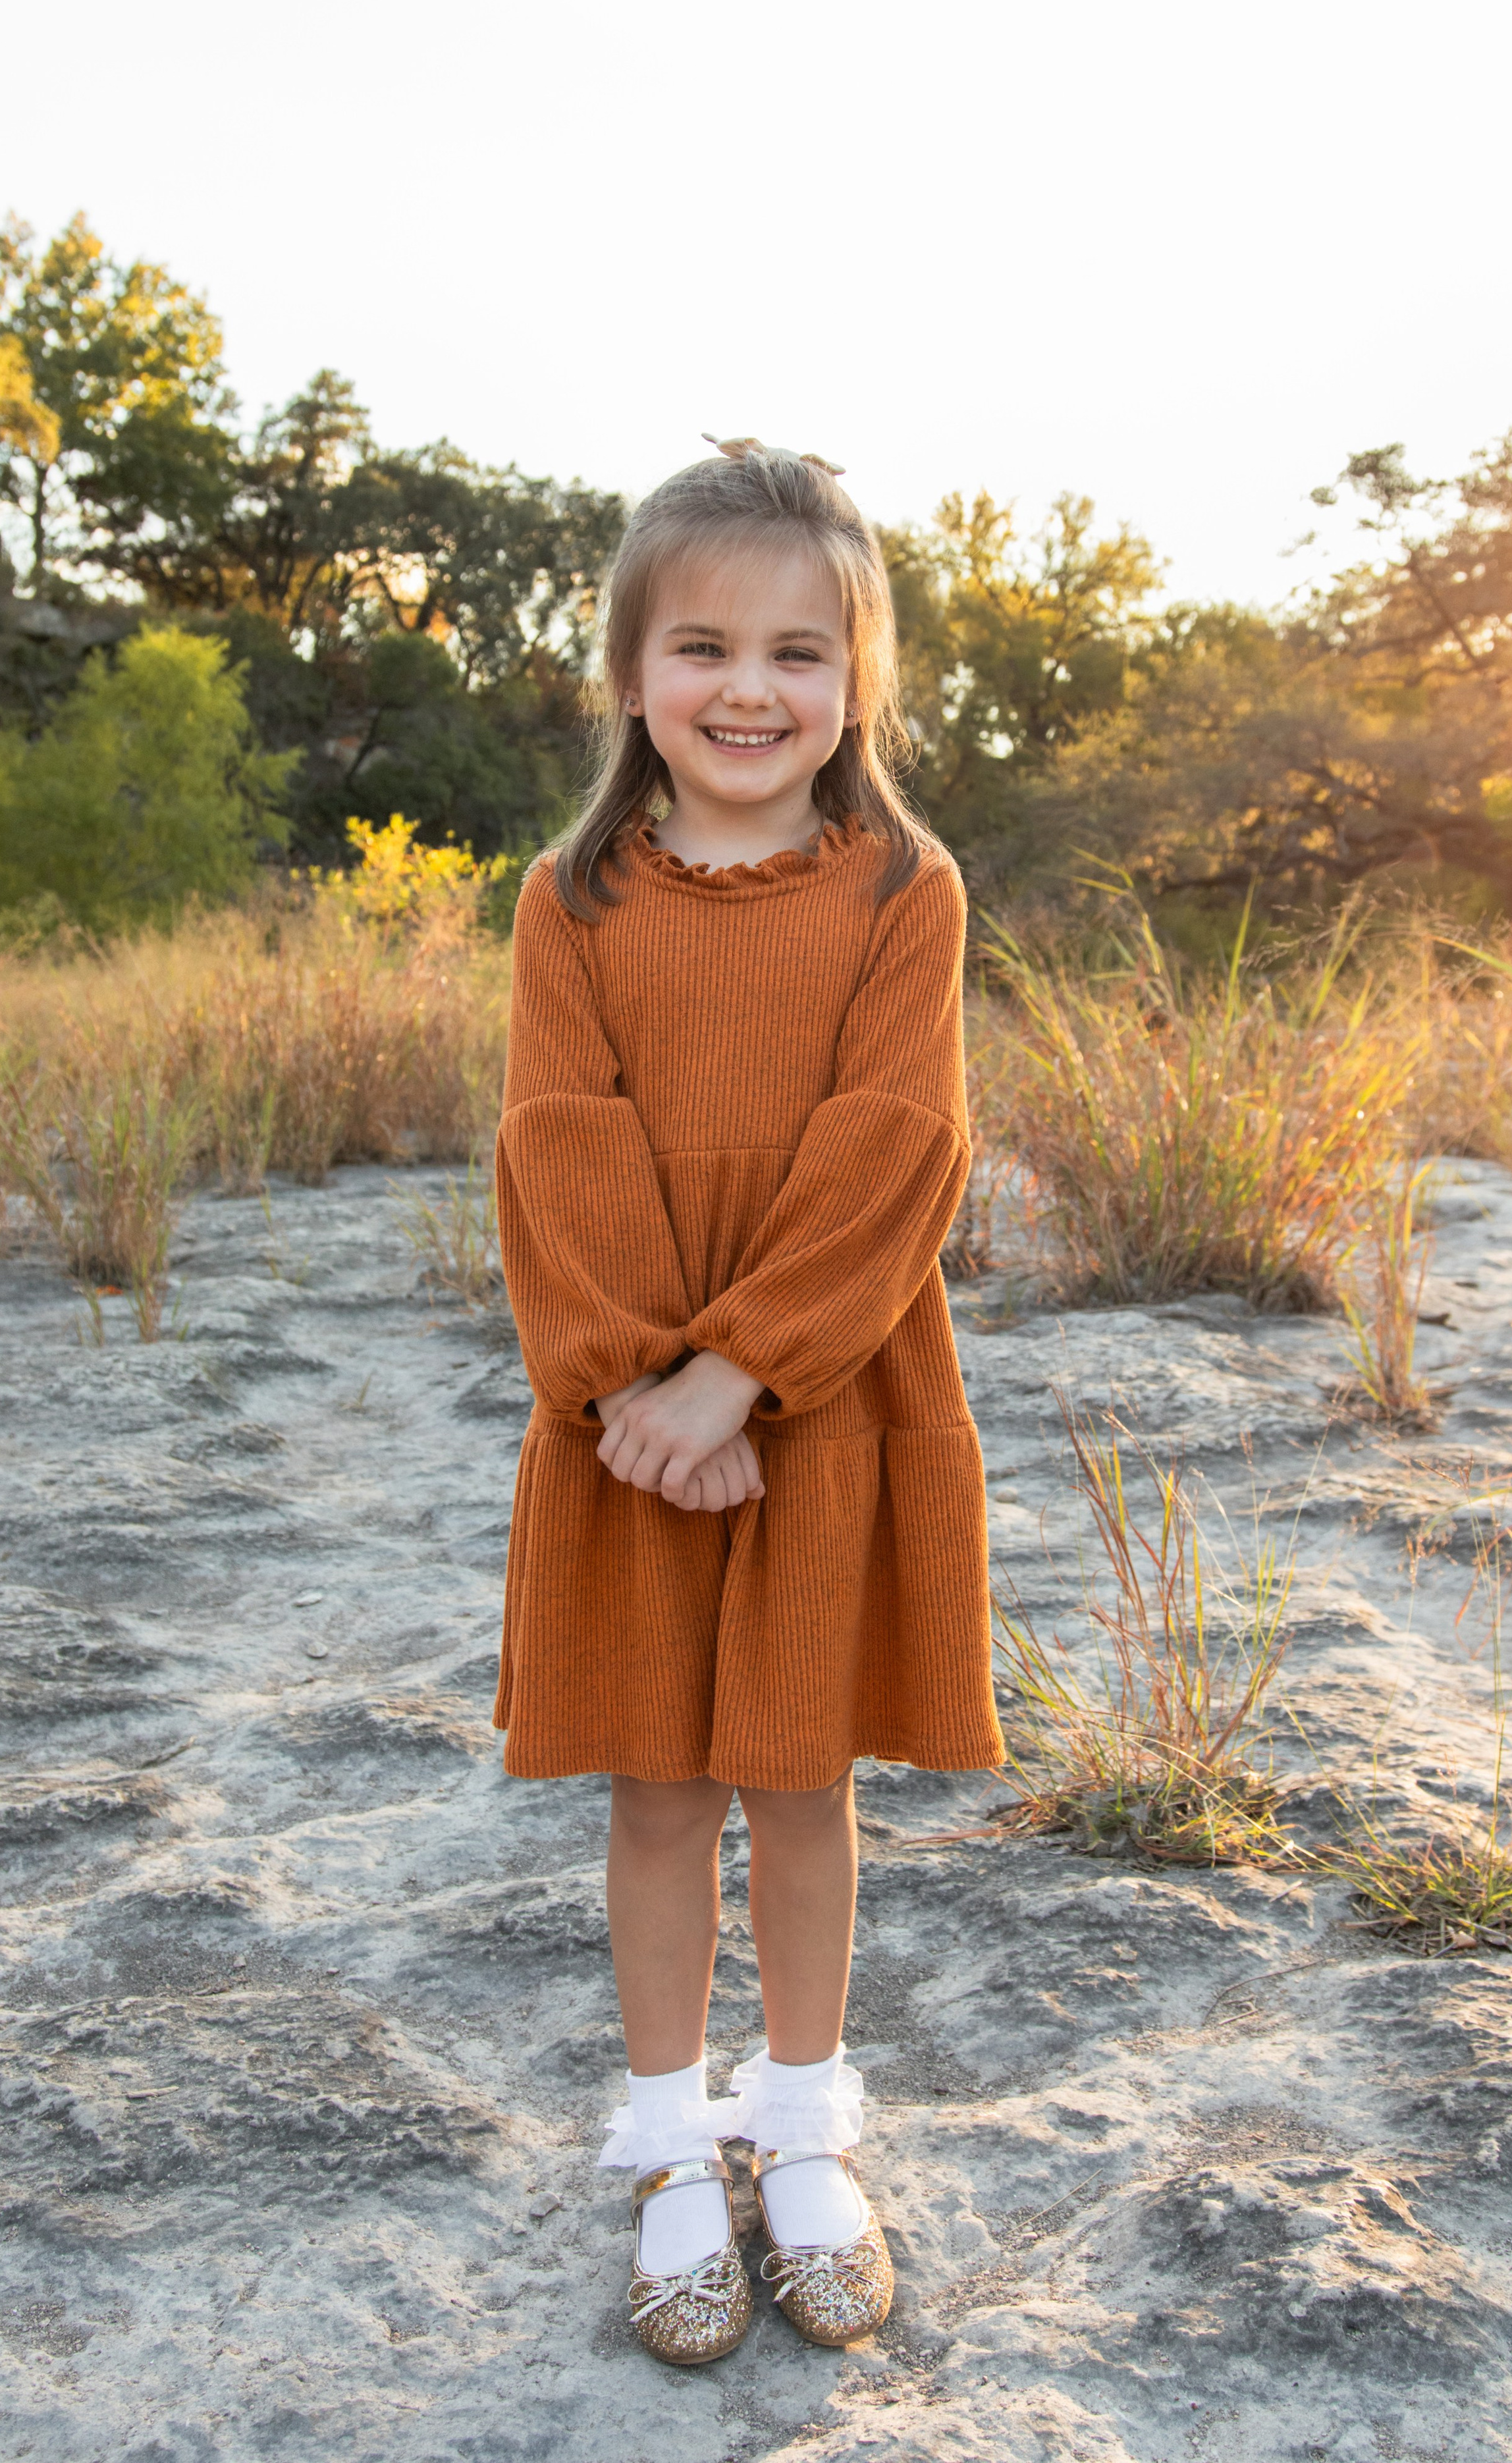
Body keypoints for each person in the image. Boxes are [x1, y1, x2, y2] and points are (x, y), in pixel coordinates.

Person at [492, 439, 1004, 2364]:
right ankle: (663, 2148)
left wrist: (735, 1377)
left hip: (827, 1398)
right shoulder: (578, 898)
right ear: (628, 670)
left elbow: (897, 1143)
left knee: (798, 1774)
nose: (746, 688)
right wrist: (644, 1383)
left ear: (856, 681)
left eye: (798, 651)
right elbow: (559, 1141)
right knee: (657, 1782)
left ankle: (800, 2132)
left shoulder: (901, 883)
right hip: (628, 1422)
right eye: (699, 643)